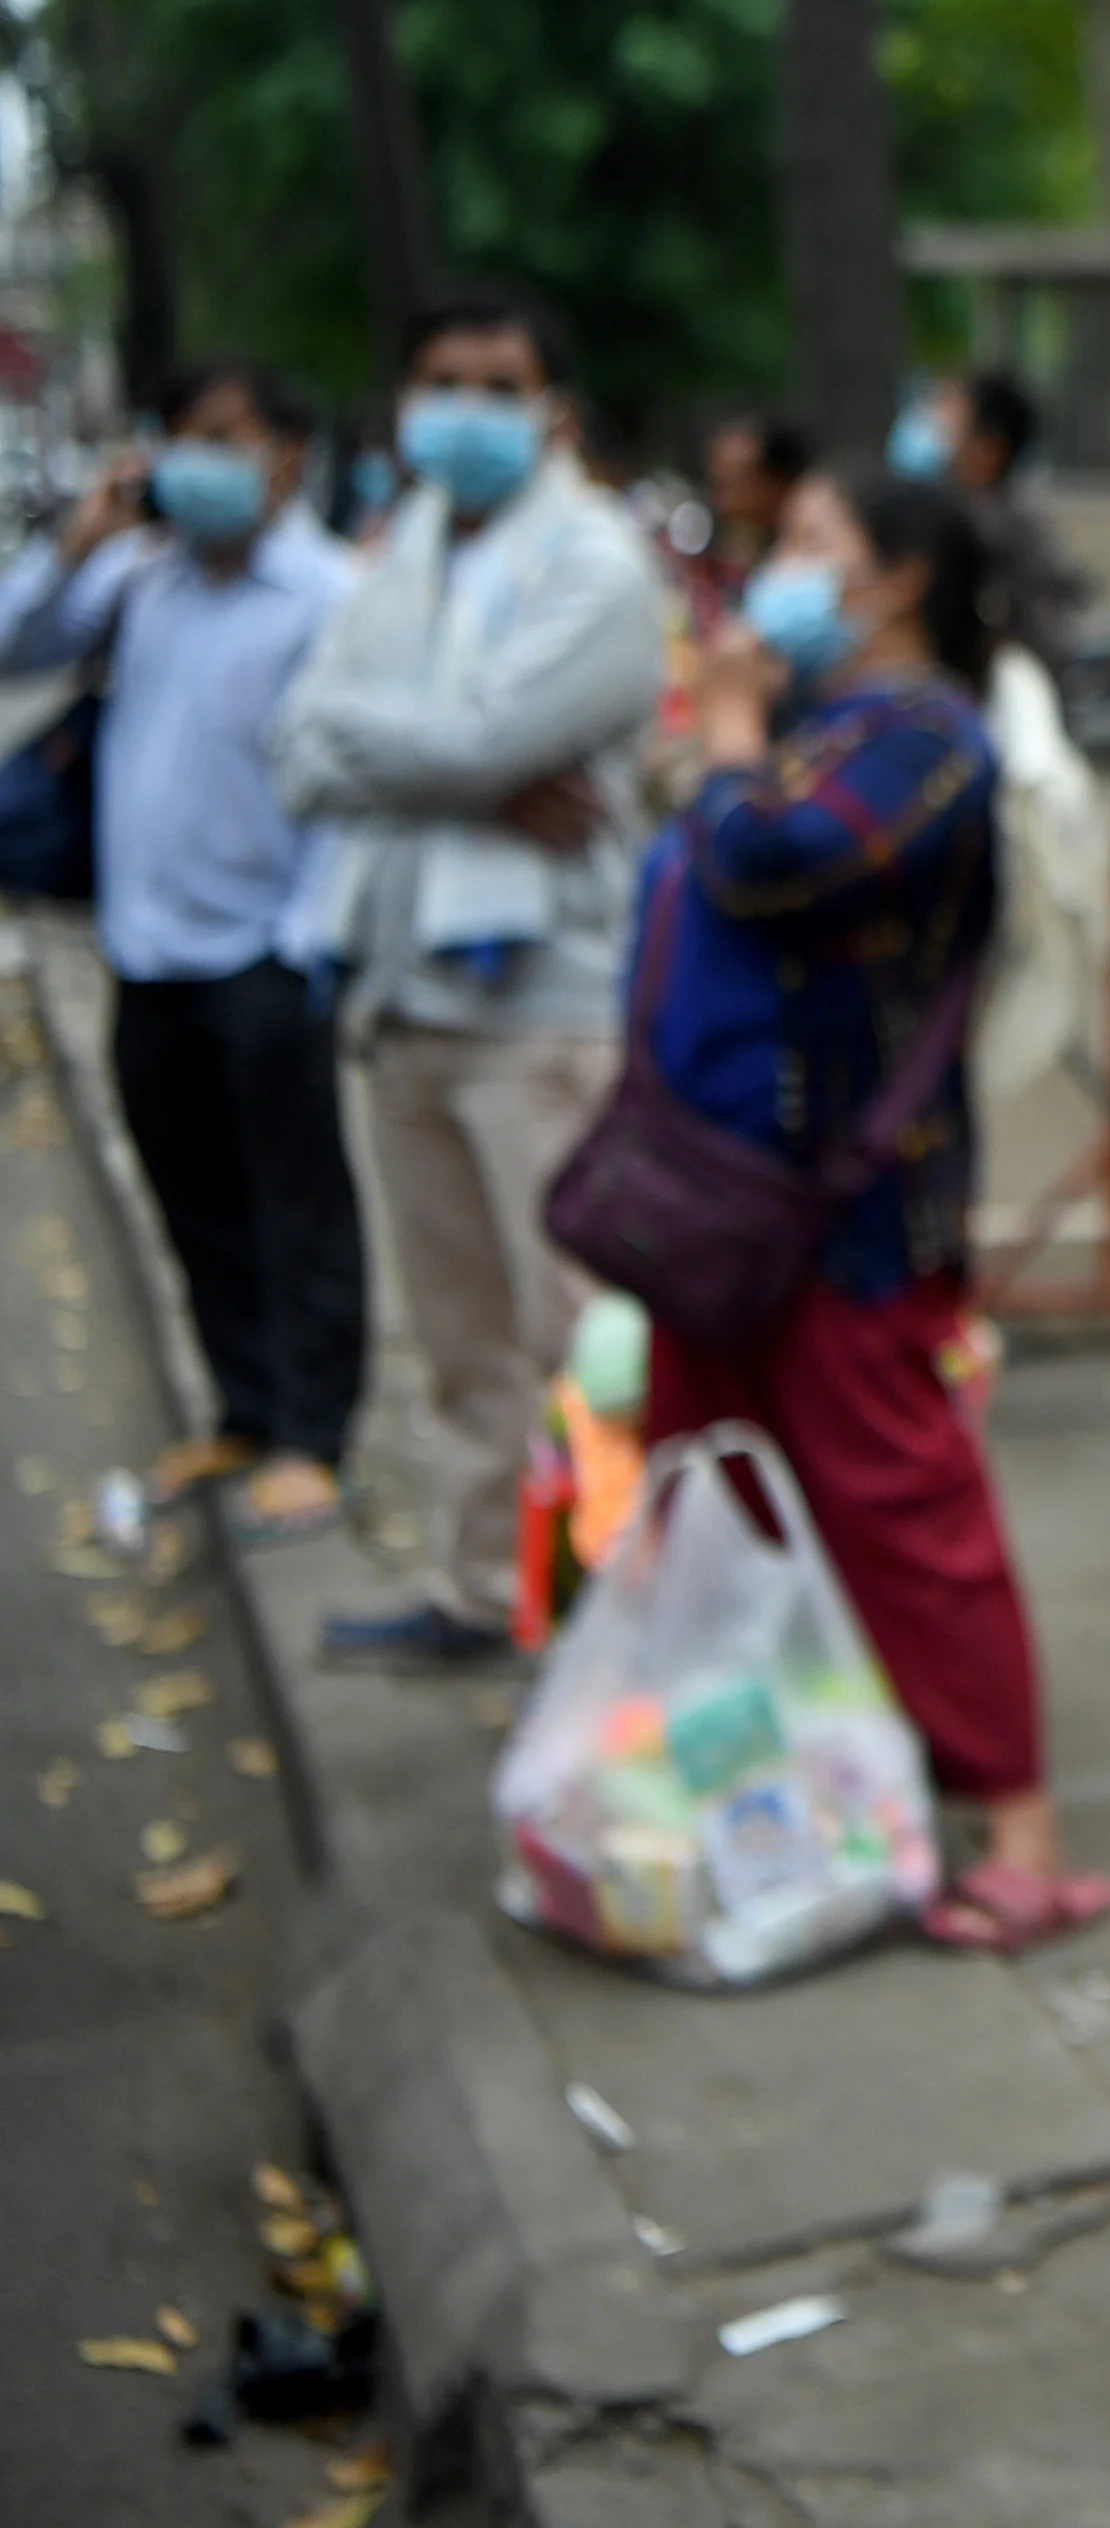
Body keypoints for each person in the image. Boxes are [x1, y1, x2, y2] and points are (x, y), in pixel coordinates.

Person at [632, 468, 1110, 1945]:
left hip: (848, 1217)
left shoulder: (928, 744)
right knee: (708, 1505)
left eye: (808, 545)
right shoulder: (821, 729)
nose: (775, 567)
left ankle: (1019, 1828)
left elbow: (773, 863)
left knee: (906, 1513)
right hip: (717, 1206)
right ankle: (766, 1799)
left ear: (896, 581)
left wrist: (721, 736)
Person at [272, 289, 667, 1663]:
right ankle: (477, 1587)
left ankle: (616, 1611)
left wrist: (445, 759)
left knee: (580, 1340)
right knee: (457, 1341)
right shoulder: (403, 554)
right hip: (402, 996)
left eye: (500, 386)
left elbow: (481, 734)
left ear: (553, 411)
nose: (467, 409)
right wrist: (473, 782)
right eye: (442, 380)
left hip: (540, 1012)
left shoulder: (601, 566)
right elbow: (299, 749)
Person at [0, 361, 362, 1539]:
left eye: (221, 437)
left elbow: (347, 786)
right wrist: (78, 539)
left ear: (286, 455)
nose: (190, 461)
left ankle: (316, 1431)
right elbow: (15, 644)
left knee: (294, 1200)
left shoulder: (325, 592)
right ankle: (244, 1410)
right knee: (192, 1194)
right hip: (145, 949)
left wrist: (309, 942)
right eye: (178, 438)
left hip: (263, 949)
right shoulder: (139, 580)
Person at [891, 372, 1091, 669]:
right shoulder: (945, 519)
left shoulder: (997, 536)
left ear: (989, 448)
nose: (929, 430)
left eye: (946, 422)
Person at [673, 411, 813, 634]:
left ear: (776, 482)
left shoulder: (809, 568)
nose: (720, 501)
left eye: (730, 486)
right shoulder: (744, 550)